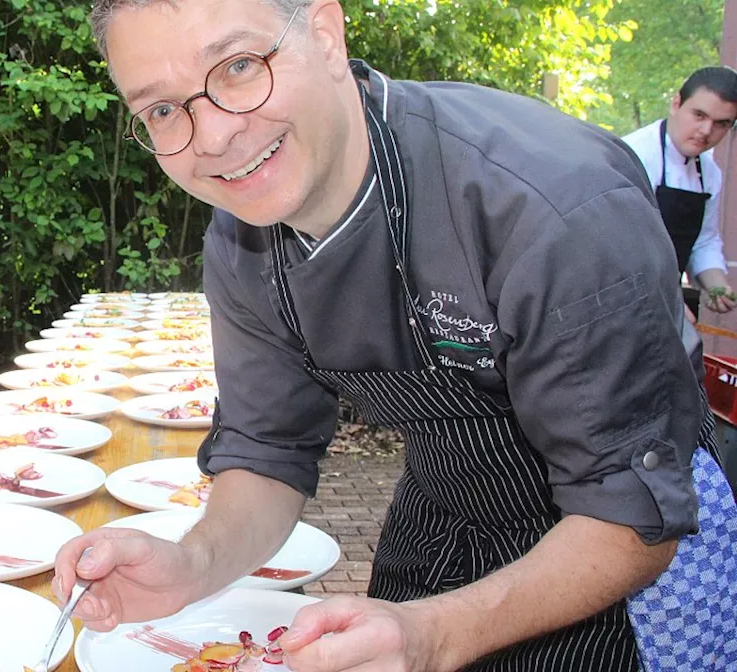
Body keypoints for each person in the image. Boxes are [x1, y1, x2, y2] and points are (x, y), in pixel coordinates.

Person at [52, 1, 737, 670]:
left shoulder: (552, 208)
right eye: (164, 110)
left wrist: (435, 636)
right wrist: (191, 563)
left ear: (325, 32)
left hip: (620, 557)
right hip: (445, 509)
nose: (212, 137)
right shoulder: (240, 239)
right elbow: (267, 450)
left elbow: (632, 516)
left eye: (236, 66)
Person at [623, 67, 737, 318]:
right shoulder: (634, 156)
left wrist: (717, 286)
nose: (706, 131)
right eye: (699, 115)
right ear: (676, 104)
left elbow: (704, 241)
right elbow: (618, 248)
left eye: (721, 124)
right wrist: (669, 303)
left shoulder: (709, 173)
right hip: (620, 299)